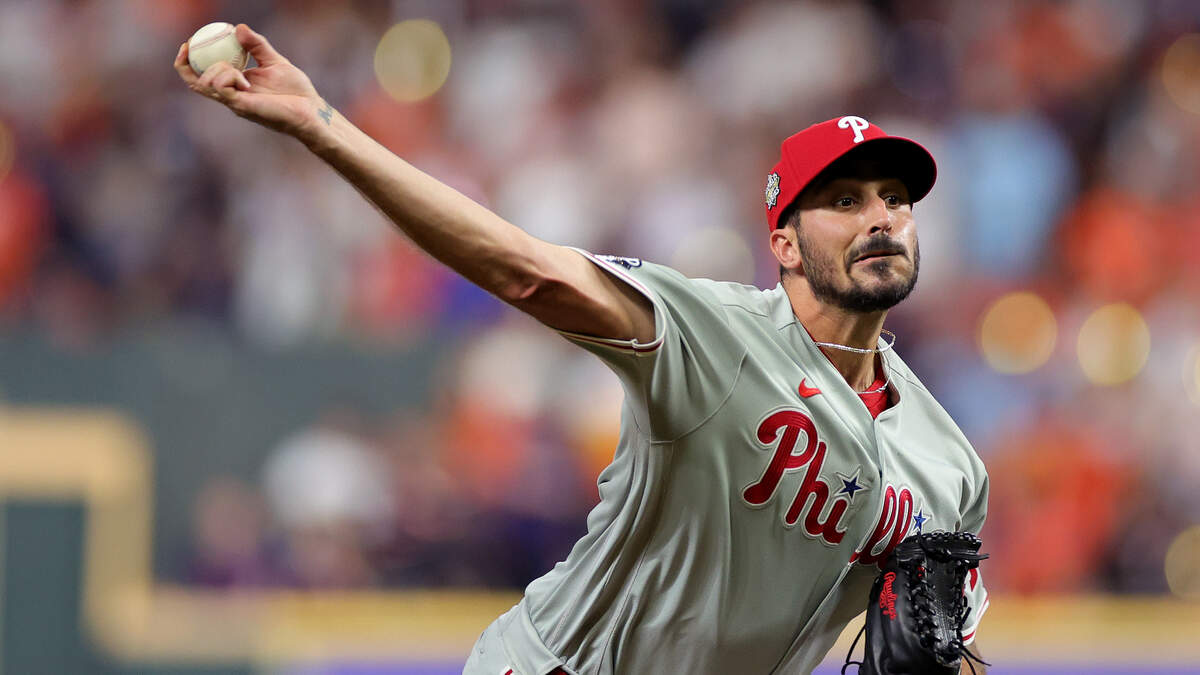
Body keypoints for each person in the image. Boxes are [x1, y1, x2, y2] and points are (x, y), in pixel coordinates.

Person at [175, 24, 990, 675]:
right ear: (782, 242)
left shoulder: (950, 466)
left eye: (894, 198)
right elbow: (527, 272)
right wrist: (321, 126)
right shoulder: (718, 336)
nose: (880, 217)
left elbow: (950, 648)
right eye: (843, 200)